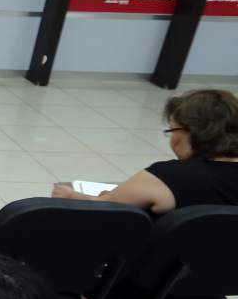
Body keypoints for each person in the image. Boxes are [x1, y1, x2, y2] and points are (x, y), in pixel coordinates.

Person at [53, 89, 238, 212]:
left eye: (173, 130)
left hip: (170, 268)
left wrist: (71, 196)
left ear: (194, 132)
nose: (172, 140)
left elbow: (107, 207)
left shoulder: (170, 176)